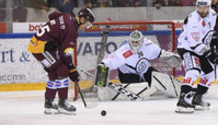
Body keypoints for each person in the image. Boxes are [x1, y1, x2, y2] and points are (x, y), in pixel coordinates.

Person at [27, 8, 95, 114]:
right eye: (88, 24)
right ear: (82, 19)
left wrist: (56, 34)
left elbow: (52, 15)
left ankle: (49, 102)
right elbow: (65, 54)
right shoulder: (72, 30)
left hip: (37, 44)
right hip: (41, 47)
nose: (86, 27)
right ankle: (63, 102)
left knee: (54, 71)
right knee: (63, 69)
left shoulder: (66, 15)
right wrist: (72, 69)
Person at [99, 30, 181, 100]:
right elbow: (109, 60)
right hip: (127, 75)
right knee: (143, 87)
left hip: (145, 72)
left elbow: (159, 53)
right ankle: (110, 94)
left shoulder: (147, 45)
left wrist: (168, 56)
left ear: (141, 41)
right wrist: (101, 72)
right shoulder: (124, 51)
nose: (134, 44)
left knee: (160, 78)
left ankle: (181, 91)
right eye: (133, 42)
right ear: (129, 41)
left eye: (137, 42)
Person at [175, 0, 218, 113]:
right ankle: (182, 101)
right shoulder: (193, 19)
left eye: (204, 8)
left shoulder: (213, 14)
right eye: (200, 7)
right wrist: (211, 54)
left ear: (209, 7)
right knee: (193, 71)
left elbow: (208, 34)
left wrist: (214, 42)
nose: (202, 10)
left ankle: (197, 98)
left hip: (201, 49)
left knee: (210, 73)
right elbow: (194, 43)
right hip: (187, 48)